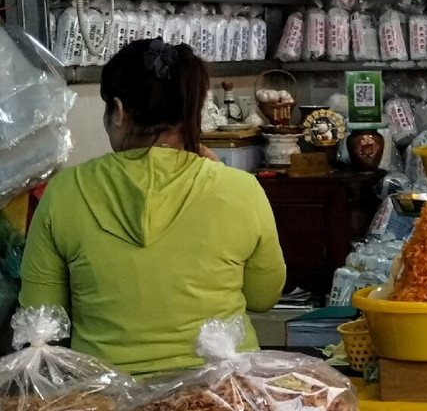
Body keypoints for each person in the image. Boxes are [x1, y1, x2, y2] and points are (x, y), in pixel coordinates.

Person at [19, 39, 286, 375]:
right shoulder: (240, 190)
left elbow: (41, 316)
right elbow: (264, 297)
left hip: (108, 397)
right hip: (221, 393)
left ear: (118, 111)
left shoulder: (64, 193)